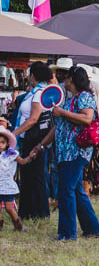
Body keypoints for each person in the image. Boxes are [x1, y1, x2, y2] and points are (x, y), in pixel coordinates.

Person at [31, 66, 99, 240]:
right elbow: (58, 128)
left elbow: (87, 118)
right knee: (76, 190)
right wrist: (40, 145)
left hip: (76, 152)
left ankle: (67, 233)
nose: (64, 80)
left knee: (66, 190)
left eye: (66, 77)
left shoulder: (84, 97)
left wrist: (62, 112)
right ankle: (92, 228)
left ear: (72, 79)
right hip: (66, 153)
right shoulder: (70, 100)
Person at [12, 61, 52, 220]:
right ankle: (28, 211)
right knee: (28, 175)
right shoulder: (34, 91)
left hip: (34, 138)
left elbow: (33, 119)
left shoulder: (39, 93)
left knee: (36, 175)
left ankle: (40, 212)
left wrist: (14, 133)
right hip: (29, 138)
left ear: (33, 75)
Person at [0, 126, 32, 231]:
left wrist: (29, 158)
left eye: (2, 142)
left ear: (7, 144)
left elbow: (22, 161)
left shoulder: (11, 154)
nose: (0, 145)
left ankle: (18, 225)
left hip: (7, 186)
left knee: (9, 208)